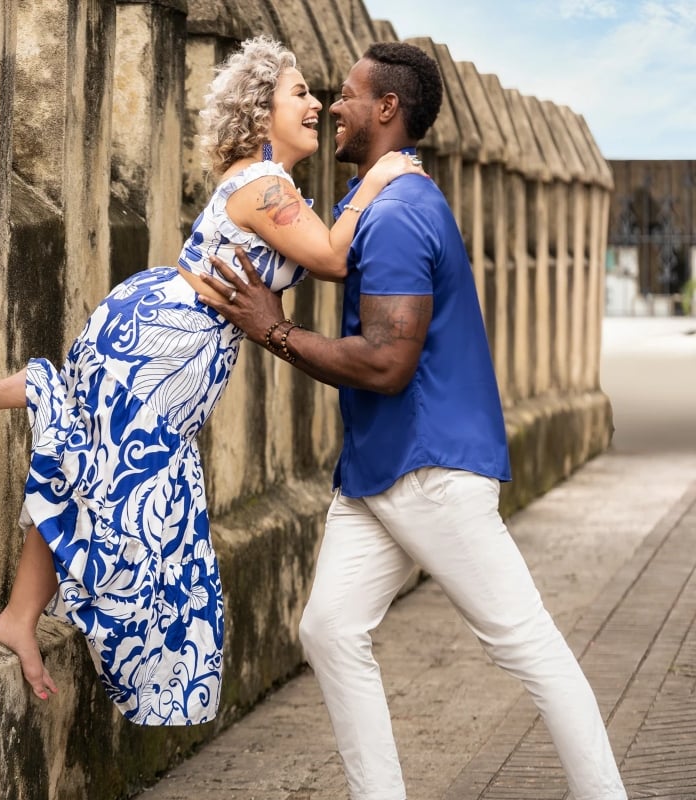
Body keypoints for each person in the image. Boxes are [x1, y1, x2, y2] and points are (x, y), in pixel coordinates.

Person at [197, 42, 626, 798]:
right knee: (328, 629)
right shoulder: (382, 197)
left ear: (387, 109)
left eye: (350, 96)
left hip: (429, 471)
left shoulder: (395, 213)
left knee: (527, 645)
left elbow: (388, 363)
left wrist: (275, 330)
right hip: (378, 472)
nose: (333, 105)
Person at [0, 36, 424, 726]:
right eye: (298, 93)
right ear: (259, 111)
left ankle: (18, 613)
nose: (316, 103)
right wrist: (384, 174)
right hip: (163, 345)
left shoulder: (270, 183)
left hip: (167, 340)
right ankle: (41, 390)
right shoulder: (263, 186)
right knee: (119, 494)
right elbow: (335, 258)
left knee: (98, 471)